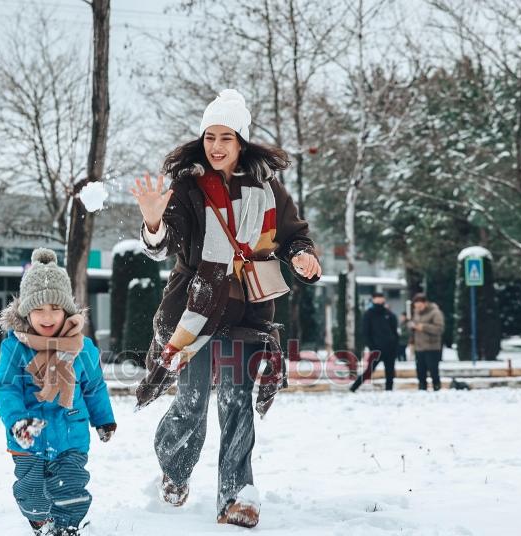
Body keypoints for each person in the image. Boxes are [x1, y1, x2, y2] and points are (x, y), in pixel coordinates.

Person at [129, 89, 322, 528]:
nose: (216, 146)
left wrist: (302, 256)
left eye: (226, 137)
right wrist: (154, 222)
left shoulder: (268, 189)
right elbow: (165, 244)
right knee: (192, 404)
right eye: (210, 136)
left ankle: (237, 496)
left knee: (236, 403)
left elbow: (293, 235)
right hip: (193, 311)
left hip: (246, 314)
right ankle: (175, 471)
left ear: (241, 142)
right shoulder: (189, 187)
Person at [0, 248, 116, 536]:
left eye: (55, 309)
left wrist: (103, 419)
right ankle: (39, 521)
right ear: (26, 311)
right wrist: (17, 421)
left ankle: (66, 527)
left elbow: (94, 387)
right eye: (38, 309)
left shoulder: (82, 347)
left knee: (71, 488)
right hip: (28, 434)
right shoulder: (15, 347)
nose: (47, 317)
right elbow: (5, 387)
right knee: (31, 494)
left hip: (71, 433)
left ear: (67, 311)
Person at [350, 292, 398, 392]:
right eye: (377, 298)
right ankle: (354, 387)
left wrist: (394, 344)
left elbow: (394, 331)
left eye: (381, 297)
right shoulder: (369, 314)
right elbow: (365, 332)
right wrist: (372, 346)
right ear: (373, 299)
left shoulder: (389, 314)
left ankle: (389, 390)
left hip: (390, 348)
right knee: (369, 371)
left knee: (390, 371)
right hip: (376, 349)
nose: (379, 300)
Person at [409, 293, 445, 391]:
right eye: (416, 306)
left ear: (425, 303)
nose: (418, 308)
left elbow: (439, 329)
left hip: (432, 347)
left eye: (420, 305)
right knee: (420, 371)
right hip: (419, 347)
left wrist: (424, 327)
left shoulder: (435, 313)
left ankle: (436, 387)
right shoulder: (416, 313)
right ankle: (422, 388)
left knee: (433, 370)